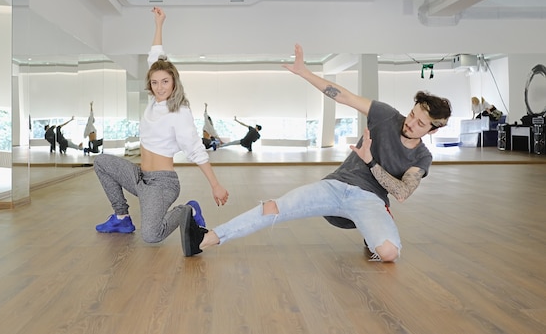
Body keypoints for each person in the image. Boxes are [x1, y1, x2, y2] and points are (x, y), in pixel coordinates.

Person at [181, 43, 452, 261]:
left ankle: (373, 234)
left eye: (420, 123)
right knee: (274, 207)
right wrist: (305, 73)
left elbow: (402, 193)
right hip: (335, 186)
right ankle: (205, 239)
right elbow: (343, 95)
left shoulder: (421, 158)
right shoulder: (386, 116)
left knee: (389, 253)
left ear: (432, 131)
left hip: (369, 200)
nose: (411, 122)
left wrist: (371, 162)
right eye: (413, 114)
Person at [93, 7, 229, 253]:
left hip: (162, 184)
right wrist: (159, 24)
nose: (159, 87)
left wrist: (215, 185)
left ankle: (187, 209)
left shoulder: (180, 111)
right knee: (101, 162)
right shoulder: (153, 102)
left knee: (152, 236)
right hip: (140, 177)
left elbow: (196, 150)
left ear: (174, 81)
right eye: (154, 82)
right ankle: (122, 218)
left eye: (165, 81)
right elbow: (155, 56)